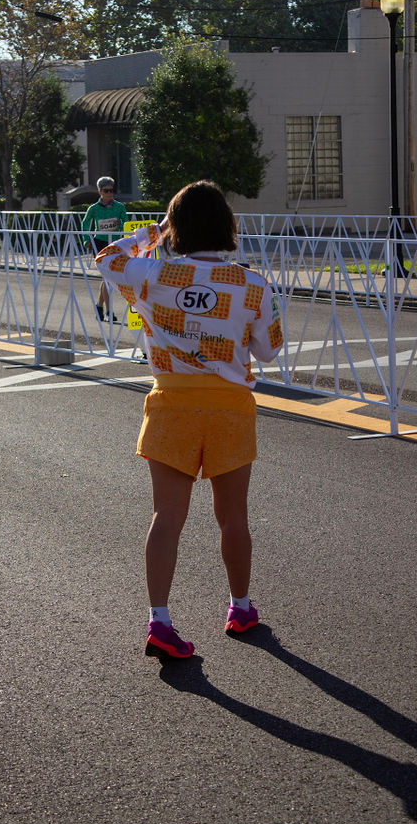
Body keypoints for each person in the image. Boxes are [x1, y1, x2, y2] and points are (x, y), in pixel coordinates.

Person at [95, 180, 284, 660]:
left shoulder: (153, 274)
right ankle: (240, 608)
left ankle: (159, 621)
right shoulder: (253, 284)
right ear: (227, 226)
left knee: (166, 516)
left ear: (175, 227)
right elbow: (269, 350)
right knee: (233, 516)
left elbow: (106, 258)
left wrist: (154, 231)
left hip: (170, 404)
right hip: (230, 408)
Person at [82, 177, 128, 321]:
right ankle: (109, 311)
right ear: (100, 192)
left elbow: (126, 223)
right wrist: (86, 240)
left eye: (111, 190)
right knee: (107, 277)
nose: (109, 193)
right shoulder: (94, 208)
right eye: (106, 191)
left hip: (115, 244)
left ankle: (99, 307)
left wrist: (124, 234)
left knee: (108, 277)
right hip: (100, 244)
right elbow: (85, 223)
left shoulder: (119, 207)